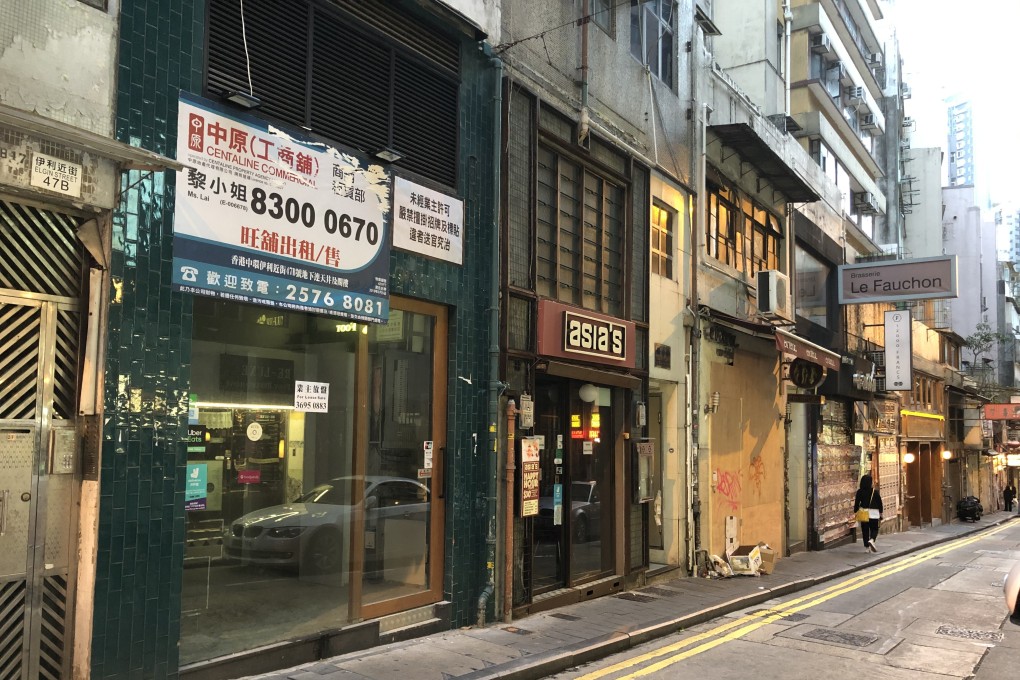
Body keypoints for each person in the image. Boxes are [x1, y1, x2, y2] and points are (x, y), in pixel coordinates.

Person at [854, 474, 883, 553]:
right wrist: (881, 512)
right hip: (873, 513)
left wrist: (855, 511)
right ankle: (872, 539)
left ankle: (867, 548)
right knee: (874, 528)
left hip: (864, 513)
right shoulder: (874, 492)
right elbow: (880, 503)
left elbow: (856, 503)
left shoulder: (859, 492)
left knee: (865, 530)